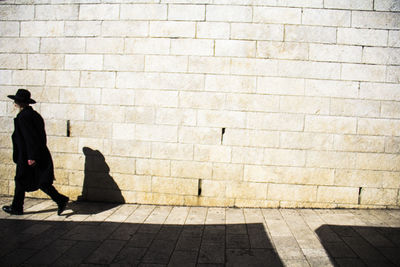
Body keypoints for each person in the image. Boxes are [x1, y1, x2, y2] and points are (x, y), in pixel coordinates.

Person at [2, 89, 69, 216]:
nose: (15, 103)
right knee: (39, 181)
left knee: (24, 180)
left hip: (28, 155)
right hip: (37, 154)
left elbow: (30, 138)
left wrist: (31, 157)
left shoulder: (24, 117)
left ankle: (17, 208)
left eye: (16, 100)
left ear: (20, 102)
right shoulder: (34, 115)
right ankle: (60, 199)